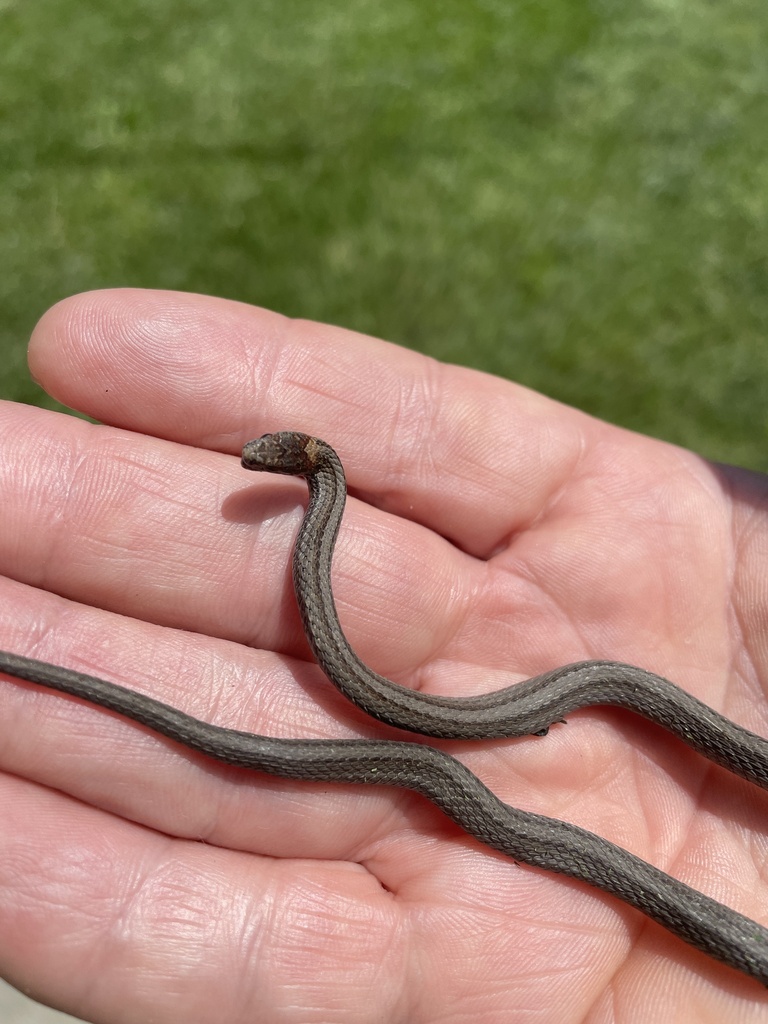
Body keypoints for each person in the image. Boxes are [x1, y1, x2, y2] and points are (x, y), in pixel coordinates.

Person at [0, 288, 766, 1023]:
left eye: (265, 459)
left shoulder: (324, 483)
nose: (251, 462)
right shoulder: (321, 481)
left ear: (305, 466)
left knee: (556, 709)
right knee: (491, 739)